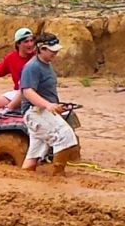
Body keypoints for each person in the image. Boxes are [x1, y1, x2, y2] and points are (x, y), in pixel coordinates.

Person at [19, 32, 80, 175]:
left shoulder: (47, 65)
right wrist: (48, 105)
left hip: (41, 111)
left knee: (35, 152)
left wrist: (56, 104)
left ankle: (24, 177)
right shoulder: (32, 67)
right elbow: (27, 92)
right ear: (41, 49)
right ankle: (57, 175)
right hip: (35, 112)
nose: (56, 53)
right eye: (52, 51)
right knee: (65, 135)